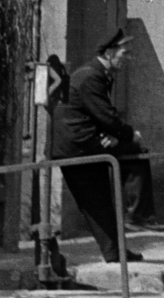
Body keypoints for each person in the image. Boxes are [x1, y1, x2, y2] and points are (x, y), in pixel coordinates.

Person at [50, 29, 154, 263]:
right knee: (136, 152)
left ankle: (114, 252)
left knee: (97, 201)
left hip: (81, 142)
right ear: (109, 53)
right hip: (80, 145)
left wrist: (110, 135)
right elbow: (106, 116)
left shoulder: (96, 74)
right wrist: (129, 134)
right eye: (124, 53)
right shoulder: (91, 76)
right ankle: (138, 214)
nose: (127, 58)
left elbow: (94, 115)